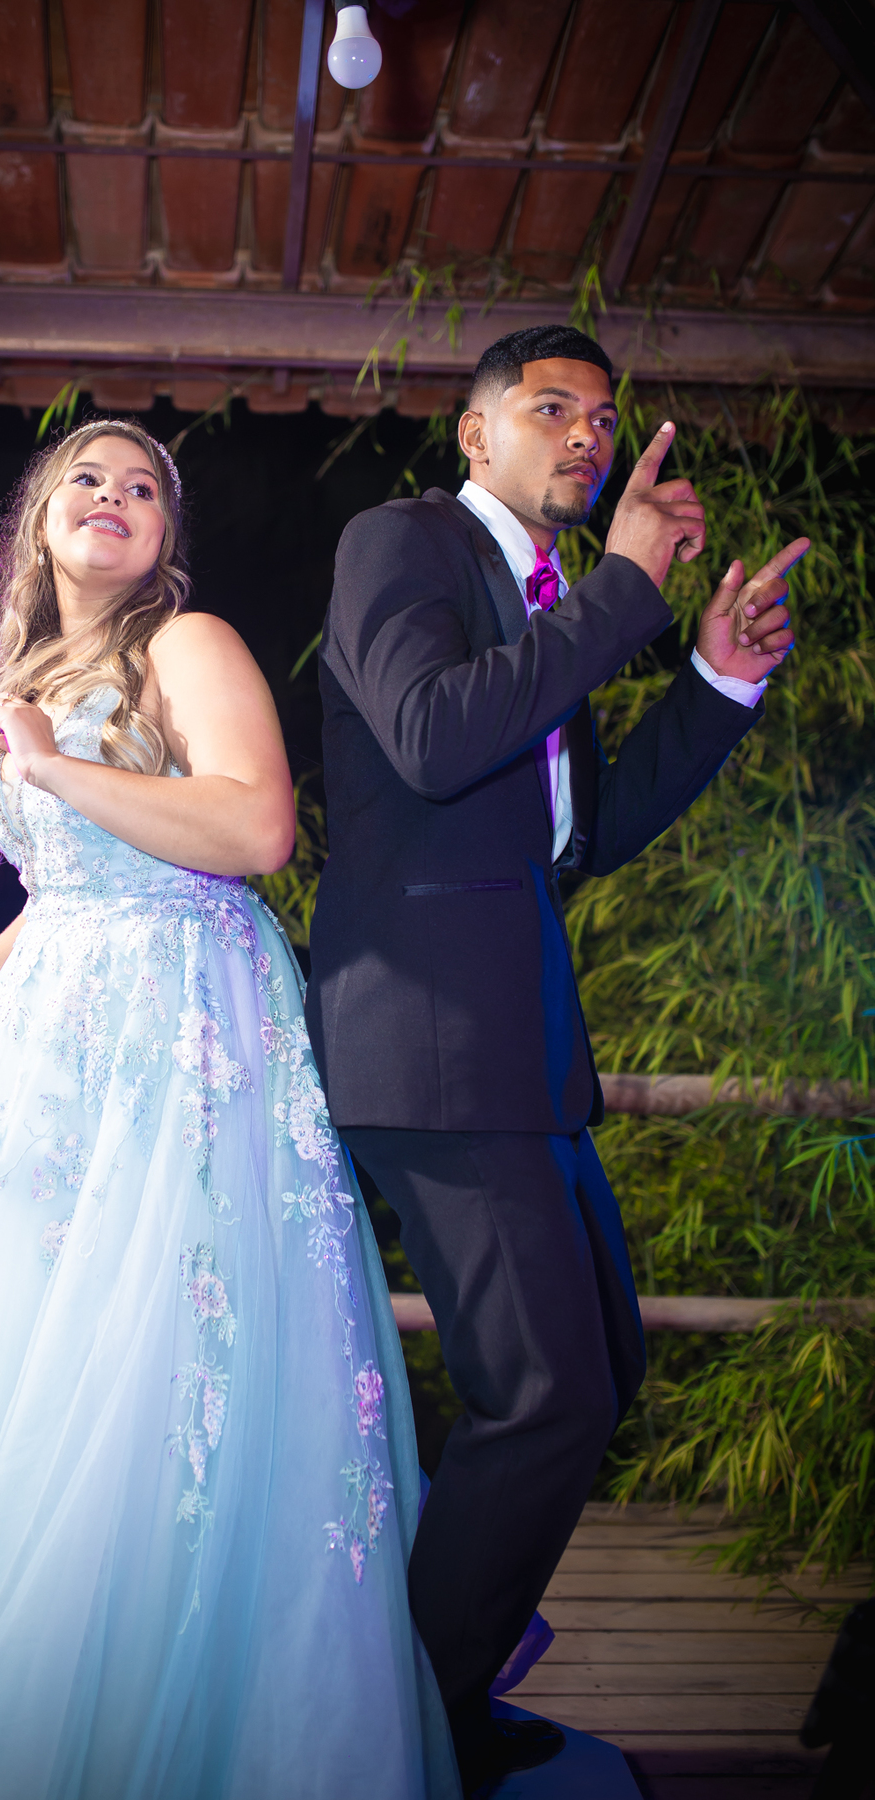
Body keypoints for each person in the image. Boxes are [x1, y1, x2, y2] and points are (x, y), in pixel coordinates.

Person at [0, 420, 462, 1800]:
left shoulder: (189, 646)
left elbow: (254, 832)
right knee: (36, 1361)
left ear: (166, 535)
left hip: (186, 1037)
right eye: (86, 481)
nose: (114, 496)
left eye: (143, 486)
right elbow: (66, 899)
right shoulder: (24, 677)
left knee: (165, 1351)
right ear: (38, 522)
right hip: (52, 1056)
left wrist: (50, 767)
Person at [305, 325, 808, 1795]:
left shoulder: (542, 601)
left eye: (602, 414)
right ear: (475, 437)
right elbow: (427, 734)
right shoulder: (403, 544)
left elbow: (579, 835)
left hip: (519, 1048)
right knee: (546, 1397)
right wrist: (627, 591)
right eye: (551, 409)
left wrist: (712, 679)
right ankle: (413, 1728)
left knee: (597, 1370)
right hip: (429, 1042)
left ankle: (433, 1687)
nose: (589, 434)